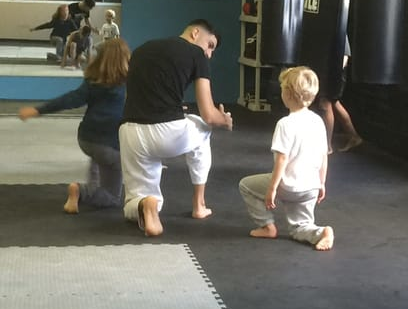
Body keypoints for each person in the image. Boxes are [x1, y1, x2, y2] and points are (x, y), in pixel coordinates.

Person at [119, 19, 233, 237]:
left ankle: (145, 205)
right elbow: (209, 115)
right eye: (210, 45)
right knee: (202, 127)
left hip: (130, 131)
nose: (209, 54)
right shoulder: (197, 54)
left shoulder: (142, 49)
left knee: (134, 198)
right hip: (167, 133)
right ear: (195, 33)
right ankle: (199, 204)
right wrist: (224, 120)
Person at [18, 38, 131, 214]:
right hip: (109, 146)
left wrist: (37, 110)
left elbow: (69, 99)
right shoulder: (128, 83)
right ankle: (81, 191)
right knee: (112, 197)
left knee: (98, 157)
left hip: (86, 140)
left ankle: (87, 189)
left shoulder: (93, 81)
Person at [239, 66, 334, 251]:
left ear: (288, 94)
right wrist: (321, 183)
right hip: (311, 188)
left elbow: (282, 159)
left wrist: (272, 189)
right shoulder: (318, 121)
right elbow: (323, 155)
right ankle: (321, 232)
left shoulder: (285, 124)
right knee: (299, 227)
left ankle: (267, 226)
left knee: (246, 185)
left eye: (282, 88)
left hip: (288, 186)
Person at [314, 37, 363, 154]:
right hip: (329, 73)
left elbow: (345, 57)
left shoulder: (339, 31)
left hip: (333, 75)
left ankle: (327, 146)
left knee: (326, 104)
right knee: (334, 103)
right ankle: (353, 136)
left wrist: (333, 74)